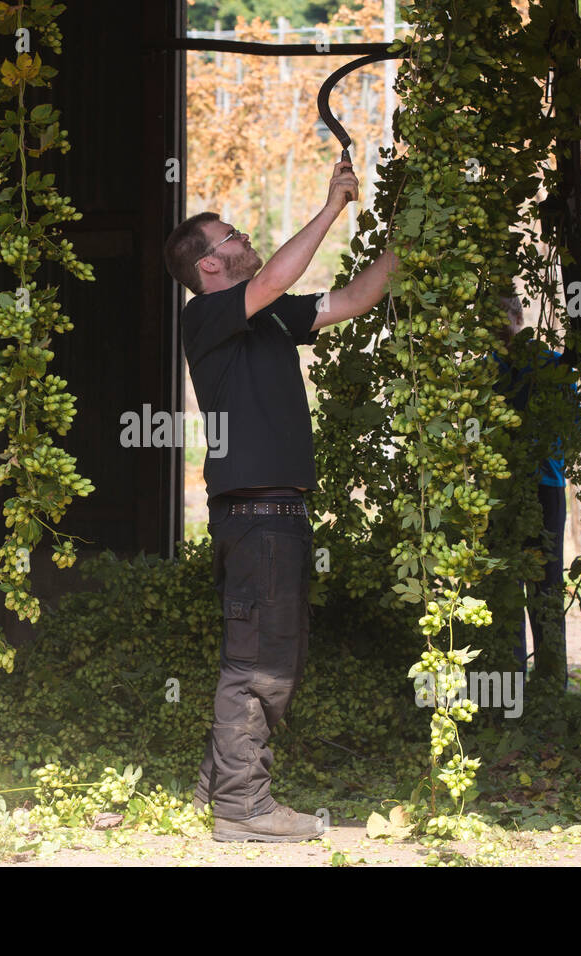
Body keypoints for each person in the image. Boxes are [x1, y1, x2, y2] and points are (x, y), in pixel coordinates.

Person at [162, 159, 400, 842]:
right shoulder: (207, 315)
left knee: (267, 652)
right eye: (230, 234)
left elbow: (351, 300)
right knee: (262, 662)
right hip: (257, 514)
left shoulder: (266, 321)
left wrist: (405, 242)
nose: (244, 237)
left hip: (277, 515)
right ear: (208, 265)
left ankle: (219, 791)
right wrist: (331, 208)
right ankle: (244, 811)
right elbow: (272, 278)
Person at [493, 294, 577, 688]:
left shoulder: (550, 366)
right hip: (499, 490)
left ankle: (550, 681)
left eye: (497, 318)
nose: (491, 329)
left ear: (516, 316)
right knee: (504, 584)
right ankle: (510, 682)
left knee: (545, 584)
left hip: (544, 487)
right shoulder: (482, 372)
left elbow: (568, 429)